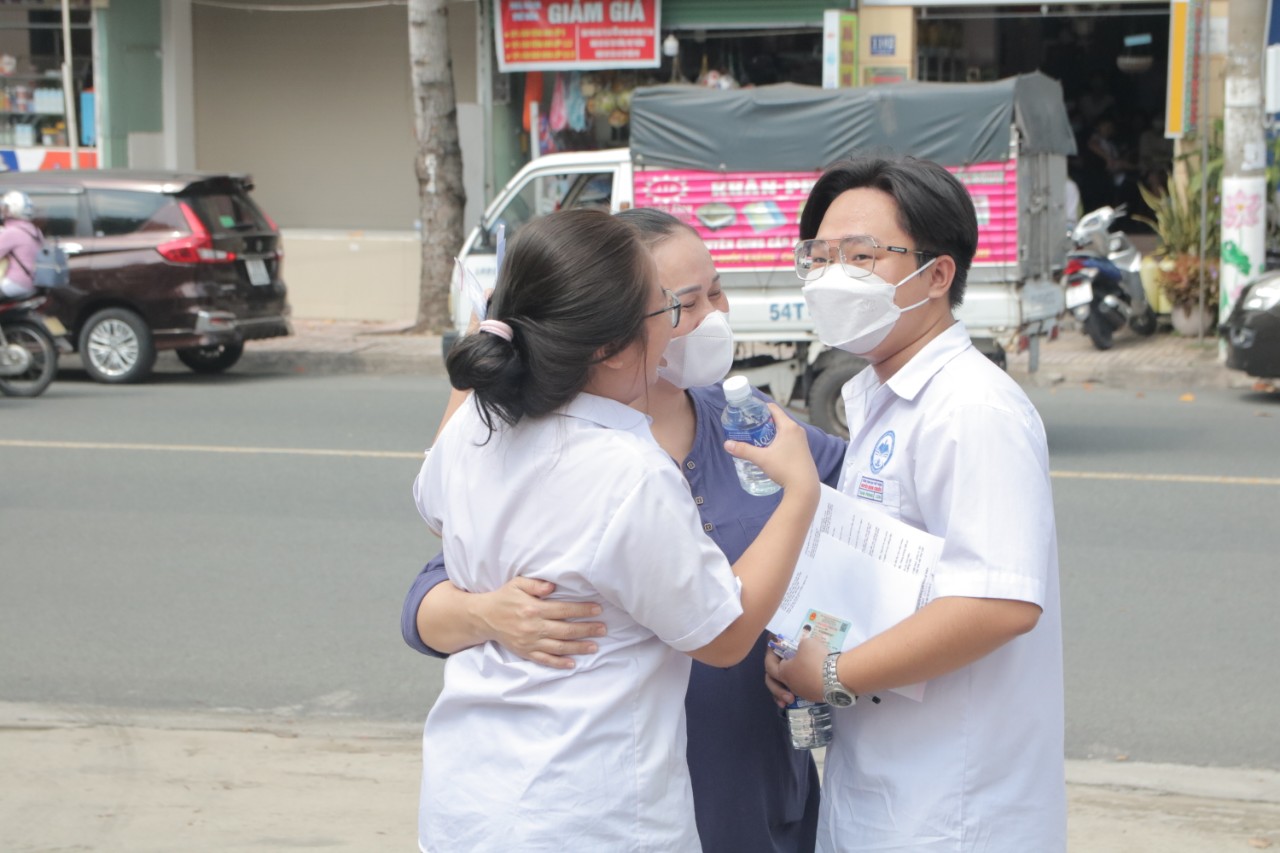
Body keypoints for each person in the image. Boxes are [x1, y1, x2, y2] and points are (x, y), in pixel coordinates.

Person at [402, 207, 847, 853]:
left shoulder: (474, 427)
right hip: (591, 809)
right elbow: (723, 636)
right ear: (608, 347)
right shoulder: (627, 469)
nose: (676, 331)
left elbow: (435, 510)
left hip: (471, 798)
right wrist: (800, 494)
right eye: (665, 311)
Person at [769, 157, 1066, 851]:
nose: (831, 275)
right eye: (819, 256)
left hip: (955, 810)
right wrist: (804, 651)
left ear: (937, 275)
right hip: (887, 788)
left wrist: (834, 672)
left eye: (861, 256)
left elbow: (998, 601)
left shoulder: (972, 408)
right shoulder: (878, 396)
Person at [0, 190, 42, 301]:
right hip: (33, 282)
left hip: (17, 282)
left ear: (13, 209)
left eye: (5, 207)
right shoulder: (35, 230)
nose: (2, 210)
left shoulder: (12, 232)